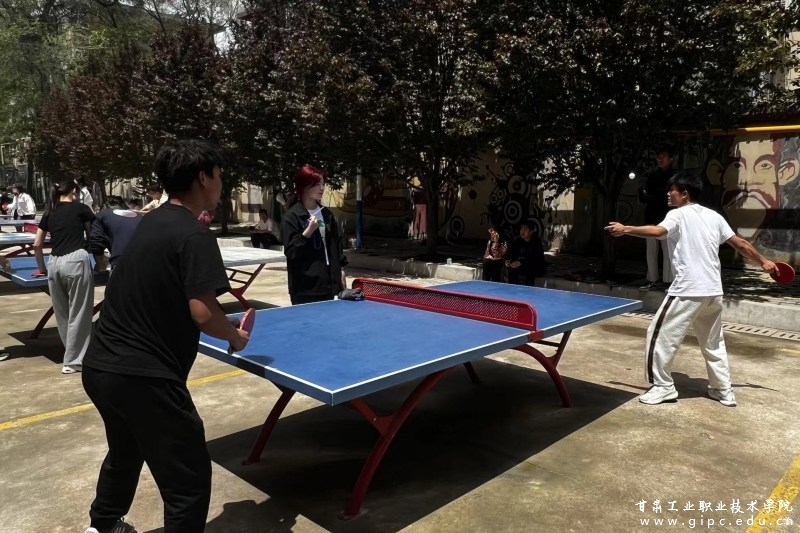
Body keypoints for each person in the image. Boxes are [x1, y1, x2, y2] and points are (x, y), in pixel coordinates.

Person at [80, 139, 249, 533]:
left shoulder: (150, 222)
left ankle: (102, 526)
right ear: (203, 178)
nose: (221, 184)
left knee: (126, 450)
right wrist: (235, 336)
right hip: (144, 376)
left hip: (101, 365)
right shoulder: (194, 234)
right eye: (219, 176)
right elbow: (204, 313)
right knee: (188, 481)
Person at [606, 171, 777, 407]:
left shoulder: (677, 215)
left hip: (688, 289)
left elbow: (658, 232)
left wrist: (626, 228)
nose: (668, 194)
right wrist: (764, 261)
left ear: (684, 194)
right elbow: (740, 243)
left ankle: (663, 387)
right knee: (713, 342)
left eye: (672, 190)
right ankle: (722, 389)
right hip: (713, 291)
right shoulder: (715, 217)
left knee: (658, 334)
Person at [32, 181, 96, 374]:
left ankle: (71, 355)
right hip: (76, 259)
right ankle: (74, 361)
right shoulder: (81, 209)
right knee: (80, 312)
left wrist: (42, 268)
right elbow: (92, 235)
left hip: (54, 262)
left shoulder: (49, 212)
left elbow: (37, 244)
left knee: (62, 313)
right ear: (74, 191)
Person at [282, 164, 348, 305]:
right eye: (317, 184)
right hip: (305, 287)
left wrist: (341, 270)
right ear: (304, 186)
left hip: (328, 285)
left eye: (323, 184)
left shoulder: (327, 215)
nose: (322, 188)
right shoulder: (292, 217)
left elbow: (336, 245)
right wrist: (308, 232)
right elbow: (291, 252)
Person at [639, 146, 675, 290]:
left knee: (667, 250)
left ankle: (668, 280)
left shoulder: (675, 177)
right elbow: (646, 195)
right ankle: (652, 279)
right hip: (651, 217)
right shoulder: (653, 176)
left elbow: (668, 195)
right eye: (659, 156)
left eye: (664, 156)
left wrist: (655, 195)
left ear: (671, 159)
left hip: (667, 218)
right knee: (651, 249)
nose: (660, 159)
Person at [87, 197, 142, 272]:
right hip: (147, 261)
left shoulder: (102, 215)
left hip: (122, 264)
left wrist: (99, 265)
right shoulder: (139, 217)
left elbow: (96, 242)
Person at [504, 220, 546, 286]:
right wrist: (508, 260)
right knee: (511, 268)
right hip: (523, 264)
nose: (522, 231)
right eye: (521, 229)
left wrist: (521, 262)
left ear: (531, 232)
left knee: (529, 270)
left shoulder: (536, 242)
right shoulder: (518, 241)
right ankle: (513, 288)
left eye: (525, 229)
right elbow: (511, 253)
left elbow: (535, 258)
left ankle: (528, 288)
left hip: (536, 266)